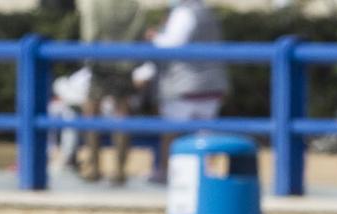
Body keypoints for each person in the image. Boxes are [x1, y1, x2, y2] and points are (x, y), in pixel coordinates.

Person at [134, 0, 229, 187]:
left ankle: (165, 171)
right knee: (204, 134)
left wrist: (153, 37)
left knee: (171, 131)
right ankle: (205, 175)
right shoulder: (206, 11)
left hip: (185, 84)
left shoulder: (184, 13)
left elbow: (171, 45)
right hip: (211, 84)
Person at [76, 0, 145, 185]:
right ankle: (120, 170)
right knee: (122, 114)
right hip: (125, 61)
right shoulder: (134, 4)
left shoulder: (96, 3)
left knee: (91, 112)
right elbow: (139, 30)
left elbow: (90, 33)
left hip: (100, 62)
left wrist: (87, 58)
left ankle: (94, 167)